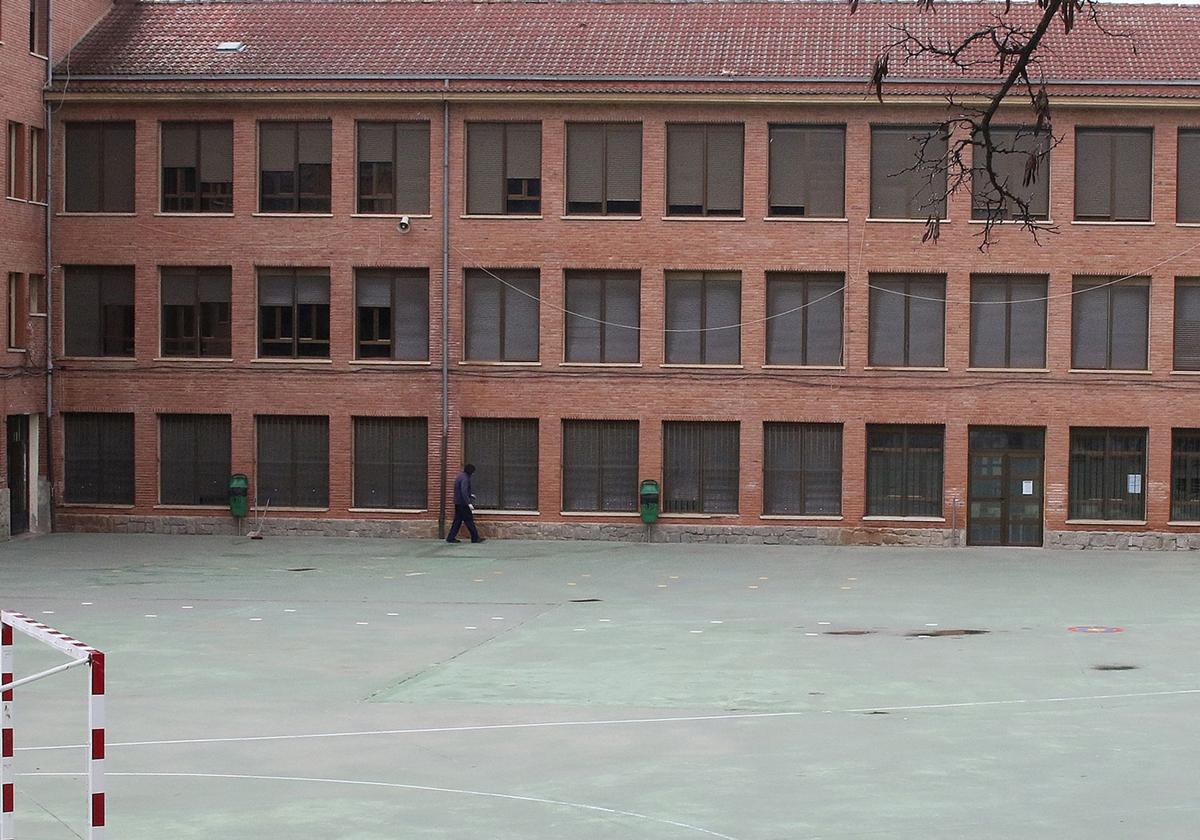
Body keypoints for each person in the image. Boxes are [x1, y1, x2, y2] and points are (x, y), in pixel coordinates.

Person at [447, 464, 485, 543]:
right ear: (470, 471)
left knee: (457, 521)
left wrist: (470, 495)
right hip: (463, 504)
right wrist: (468, 503)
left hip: (458, 502)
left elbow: (461, 490)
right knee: (469, 520)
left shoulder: (460, 476)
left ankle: (450, 538)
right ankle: (475, 538)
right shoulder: (465, 478)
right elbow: (463, 490)